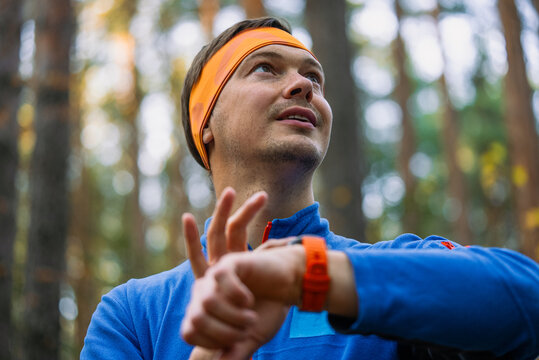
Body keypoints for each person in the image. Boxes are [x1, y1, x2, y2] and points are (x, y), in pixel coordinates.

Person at [81, 17, 539, 360]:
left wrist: (311, 274)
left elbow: (526, 301)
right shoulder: (134, 314)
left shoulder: (383, 269)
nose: (303, 86)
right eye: (265, 69)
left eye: (314, 78)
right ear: (206, 125)